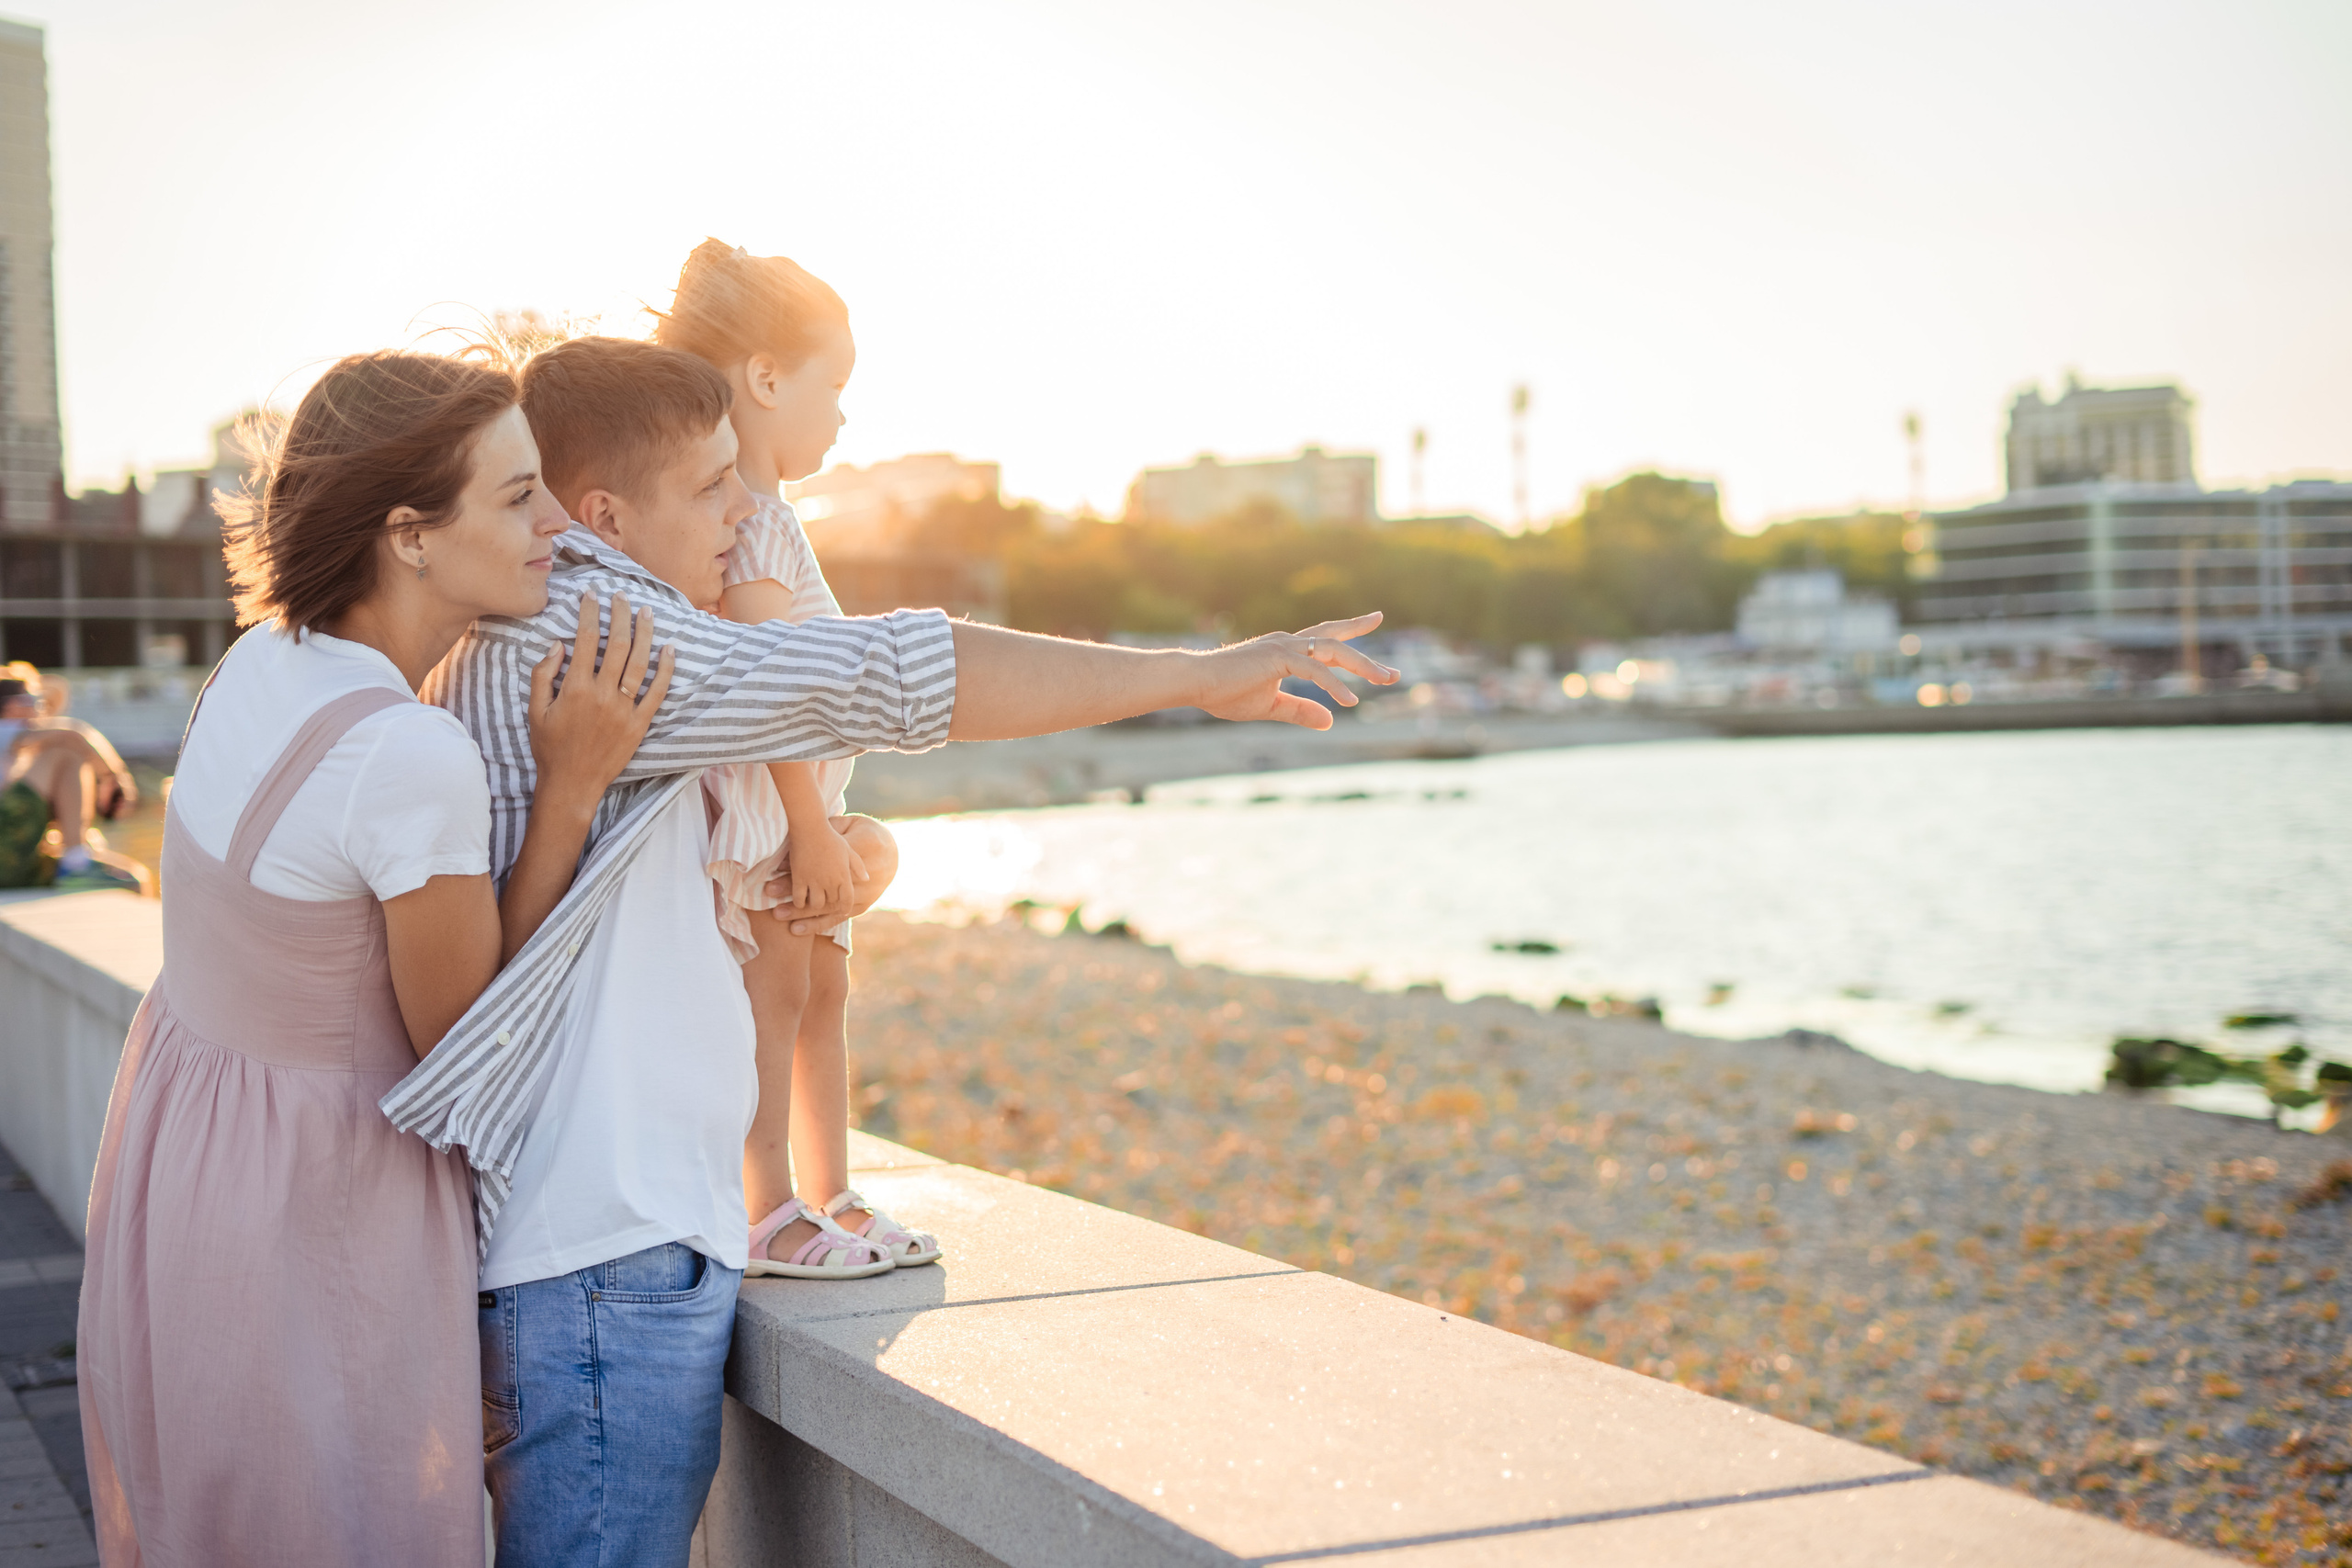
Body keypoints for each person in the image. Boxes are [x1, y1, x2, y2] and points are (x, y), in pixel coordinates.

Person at [390, 334, 1395, 1568]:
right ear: (605, 512)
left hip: (600, 1247)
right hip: (600, 1256)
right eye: (711, 485)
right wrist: (1195, 672)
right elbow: (896, 669)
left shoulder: (587, 615)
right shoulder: (603, 634)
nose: (745, 506)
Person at [76, 349, 674, 1567]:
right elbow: (465, 1043)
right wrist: (570, 786)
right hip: (323, 1208)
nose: (557, 520)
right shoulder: (408, 754)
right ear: (408, 533)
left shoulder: (259, 665)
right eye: (516, 497)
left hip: (189, 1172)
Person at [653, 240, 933, 1279]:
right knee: (774, 1010)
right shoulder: (751, 528)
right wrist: (810, 830)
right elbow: (774, 683)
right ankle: (766, 1204)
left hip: (808, 813)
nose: (846, 415)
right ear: (767, 378)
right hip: (776, 822)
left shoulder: (773, 520)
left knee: (824, 999)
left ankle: (832, 1191)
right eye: (837, 386)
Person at [0, 662, 149, 894]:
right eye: (34, 702)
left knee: (133, 877)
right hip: (7, 854)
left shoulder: (22, 748)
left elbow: (59, 702)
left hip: (18, 854)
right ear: (11, 707)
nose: (42, 709)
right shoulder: (5, 731)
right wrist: (114, 778)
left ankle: (76, 859)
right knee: (67, 754)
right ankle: (75, 863)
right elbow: (74, 733)